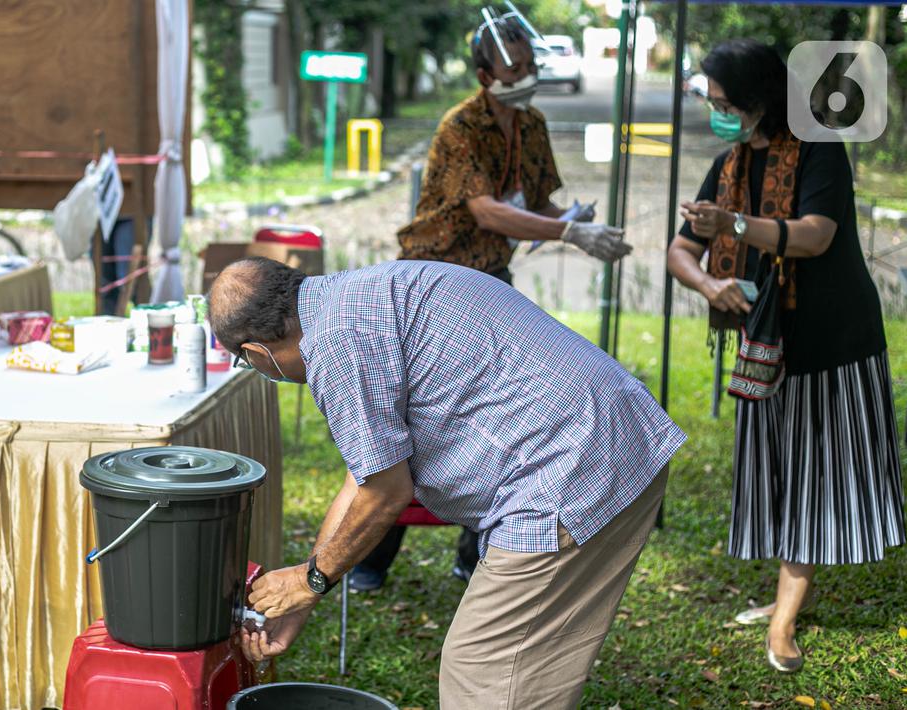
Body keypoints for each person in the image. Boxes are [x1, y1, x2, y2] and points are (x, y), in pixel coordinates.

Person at [210, 257, 685, 709]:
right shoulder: (360, 296)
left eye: (248, 364)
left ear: (256, 352)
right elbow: (367, 476)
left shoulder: (333, 344)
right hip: (622, 435)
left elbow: (385, 495)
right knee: (532, 664)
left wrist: (311, 579)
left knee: (480, 668)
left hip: (566, 471)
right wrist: (306, 593)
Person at [358, 7, 632, 592]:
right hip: (431, 283)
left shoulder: (530, 125)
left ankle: (475, 552)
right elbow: (485, 209)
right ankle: (371, 559)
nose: (528, 76)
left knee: (499, 412)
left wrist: (581, 227)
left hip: (490, 281)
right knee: (415, 417)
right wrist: (564, 231)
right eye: (516, 69)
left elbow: (541, 204)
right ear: (485, 76)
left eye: (532, 65)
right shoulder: (460, 126)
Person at [667, 40, 905, 674]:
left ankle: (783, 621)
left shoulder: (820, 151)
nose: (716, 112)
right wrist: (708, 282)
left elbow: (815, 236)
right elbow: (679, 250)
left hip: (832, 343)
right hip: (765, 349)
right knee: (778, 473)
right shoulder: (727, 164)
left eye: (723, 103)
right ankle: (785, 593)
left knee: (815, 479)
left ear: (758, 99)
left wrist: (736, 226)